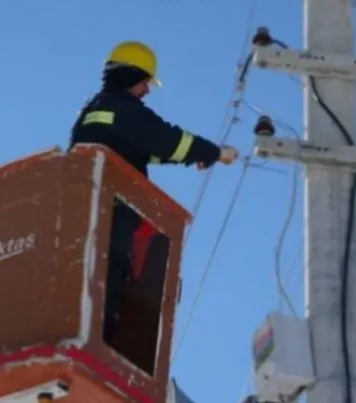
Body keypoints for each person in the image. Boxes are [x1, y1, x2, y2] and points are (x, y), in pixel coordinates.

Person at [68, 40, 238, 345]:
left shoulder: (94, 110)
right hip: (111, 206)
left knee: (93, 272)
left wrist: (196, 157)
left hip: (88, 206)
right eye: (145, 82)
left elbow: (144, 149)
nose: (146, 90)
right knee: (110, 272)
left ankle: (87, 334)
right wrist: (212, 151)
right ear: (131, 75)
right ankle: (99, 342)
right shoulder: (122, 109)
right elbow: (165, 140)